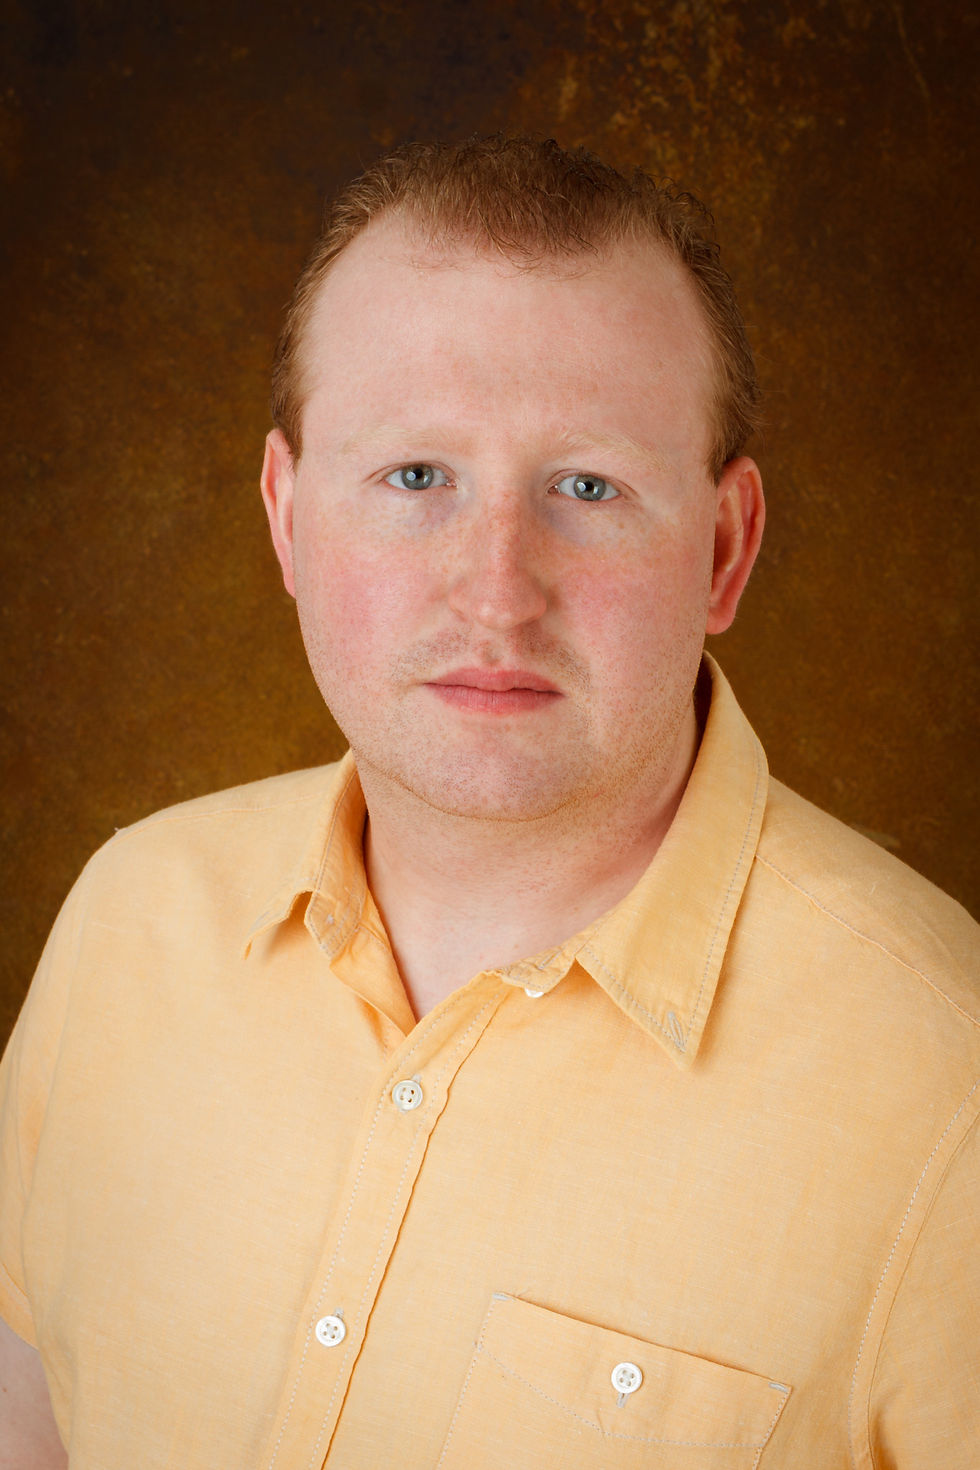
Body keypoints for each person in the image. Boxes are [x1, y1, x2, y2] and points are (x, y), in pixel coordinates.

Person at [0, 136, 977, 1469]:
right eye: (416, 476)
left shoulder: (946, 1088)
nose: (495, 589)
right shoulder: (127, 918)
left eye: (587, 485)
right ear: (289, 518)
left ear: (726, 551)